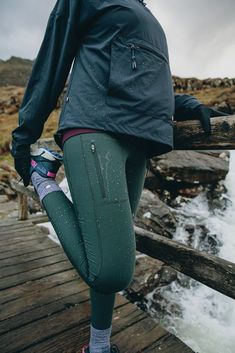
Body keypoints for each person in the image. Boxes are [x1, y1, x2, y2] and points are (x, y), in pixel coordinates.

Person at [11, 1, 228, 352]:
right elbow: (51, 62)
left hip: (138, 141)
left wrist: (186, 105)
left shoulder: (147, 14)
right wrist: (24, 138)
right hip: (95, 129)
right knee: (110, 270)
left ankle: (99, 346)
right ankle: (42, 177)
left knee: (106, 248)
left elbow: (144, 78)